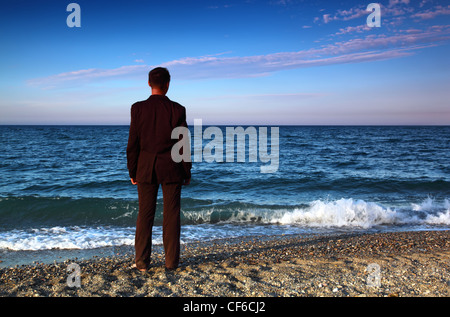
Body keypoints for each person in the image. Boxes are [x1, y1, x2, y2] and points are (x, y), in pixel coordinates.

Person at [127, 67, 191, 272]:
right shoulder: (178, 109)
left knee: (145, 214)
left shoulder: (137, 108)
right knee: (171, 215)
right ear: (168, 84)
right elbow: (183, 144)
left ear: (148, 84)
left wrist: (132, 171)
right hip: (172, 168)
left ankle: (142, 263)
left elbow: (133, 144)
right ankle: (171, 263)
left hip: (145, 168)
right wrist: (186, 170)